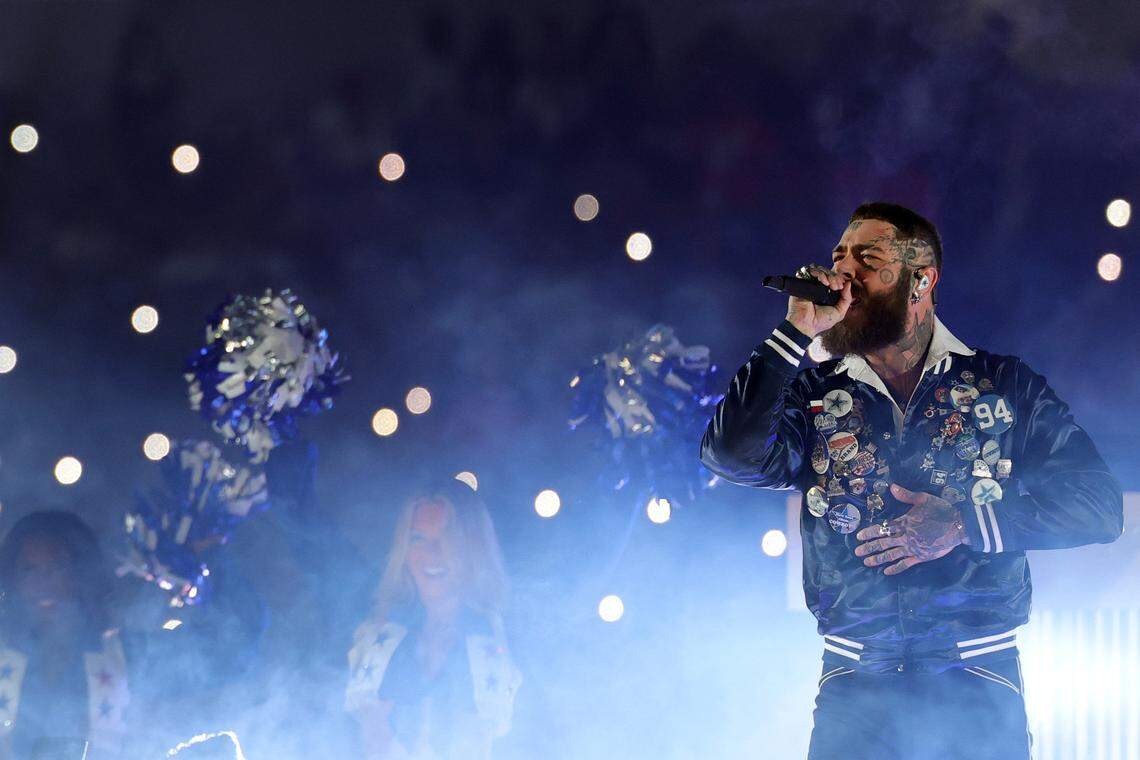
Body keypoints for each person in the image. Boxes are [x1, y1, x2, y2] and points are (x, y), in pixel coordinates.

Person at [700, 202, 1123, 759]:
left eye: (867, 259)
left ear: (920, 279)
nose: (844, 272)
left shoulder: (1003, 385)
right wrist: (795, 332)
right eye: (839, 256)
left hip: (978, 681)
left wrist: (965, 524)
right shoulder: (813, 394)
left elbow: (1099, 505)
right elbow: (731, 456)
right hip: (855, 687)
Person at [345, 479, 521, 760]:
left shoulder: (506, 642)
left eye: (446, 540)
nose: (432, 554)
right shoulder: (379, 638)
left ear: (472, 548)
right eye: (417, 539)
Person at [0, 511, 131, 760]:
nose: (43, 581)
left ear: (80, 573)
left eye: (56, 567)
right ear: (13, 579)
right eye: (29, 570)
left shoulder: (124, 656)